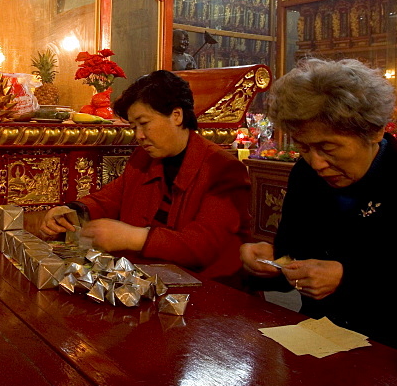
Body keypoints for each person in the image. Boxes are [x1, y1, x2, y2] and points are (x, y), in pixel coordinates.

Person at [239, 58, 397, 367]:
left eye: (328, 148)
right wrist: (271, 265)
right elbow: (294, 259)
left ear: (374, 131)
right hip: (314, 355)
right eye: (304, 148)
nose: (316, 163)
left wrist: (348, 279)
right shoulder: (306, 176)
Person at [35, 69, 251, 278]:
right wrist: (70, 211)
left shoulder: (222, 168)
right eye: (133, 126)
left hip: (211, 292)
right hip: (152, 280)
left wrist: (133, 238)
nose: (139, 135)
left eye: (144, 124)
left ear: (176, 115)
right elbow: (111, 198)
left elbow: (202, 246)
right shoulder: (144, 158)